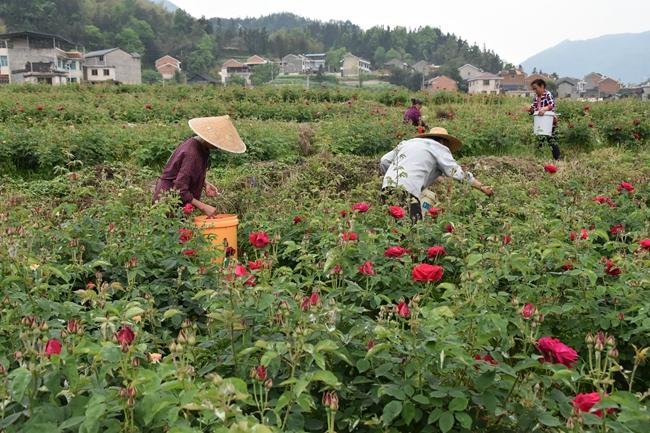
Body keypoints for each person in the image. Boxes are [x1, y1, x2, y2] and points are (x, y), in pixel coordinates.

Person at [380, 127, 493, 222]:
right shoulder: (439, 147)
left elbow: (384, 161)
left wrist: (393, 180)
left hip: (386, 188)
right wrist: (481, 187)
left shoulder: (408, 143)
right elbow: (457, 173)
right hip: (408, 191)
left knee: (390, 227)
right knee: (412, 231)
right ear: (443, 141)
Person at [152, 115, 246, 216]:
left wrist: (204, 184)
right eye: (217, 143)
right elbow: (179, 188)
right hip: (167, 203)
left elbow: (185, 172)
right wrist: (203, 207)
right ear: (208, 138)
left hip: (174, 201)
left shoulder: (199, 145)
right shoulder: (192, 153)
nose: (218, 147)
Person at [527, 78, 560, 160]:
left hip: (549, 121)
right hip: (540, 122)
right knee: (539, 139)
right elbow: (534, 108)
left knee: (551, 140)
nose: (535, 91)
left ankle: (557, 158)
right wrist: (530, 110)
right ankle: (538, 158)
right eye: (533, 89)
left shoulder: (547, 94)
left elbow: (551, 105)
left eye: (536, 89)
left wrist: (544, 109)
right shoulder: (536, 98)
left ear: (542, 86)